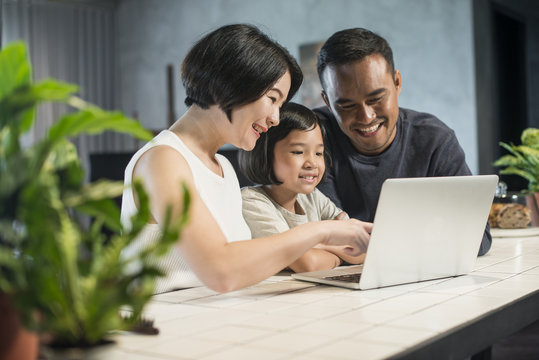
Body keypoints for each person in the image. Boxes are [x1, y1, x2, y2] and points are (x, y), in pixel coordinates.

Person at [120, 24, 371, 294]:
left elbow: (241, 264)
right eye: (272, 99)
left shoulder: (223, 167)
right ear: (228, 84)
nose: (275, 118)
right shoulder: (163, 160)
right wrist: (321, 231)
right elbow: (220, 271)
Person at [313, 27, 491, 256]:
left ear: (397, 82)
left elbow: (477, 238)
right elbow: (321, 238)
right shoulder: (311, 140)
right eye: (347, 106)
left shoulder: (434, 140)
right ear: (327, 101)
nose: (366, 116)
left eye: (376, 98)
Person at [239, 102, 369, 273]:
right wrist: (334, 250)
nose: (312, 163)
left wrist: (317, 246)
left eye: (318, 153)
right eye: (298, 152)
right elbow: (308, 264)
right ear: (266, 154)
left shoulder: (312, 197)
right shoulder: (252, 202)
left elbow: (363, 249)